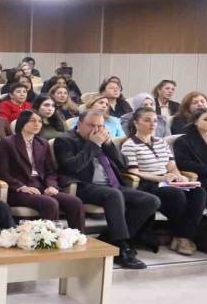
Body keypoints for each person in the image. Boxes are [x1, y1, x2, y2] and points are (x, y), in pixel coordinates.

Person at [54, 109, 160, 269]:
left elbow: (124, 165)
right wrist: (93, 144)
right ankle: (122, 247)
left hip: (112, 185)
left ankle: (109, 240)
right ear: (79, 124)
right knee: (114, 195)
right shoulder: (65, 140)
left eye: (100, 126)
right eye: (91, 125)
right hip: (83, 185)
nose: (97, 130)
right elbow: (72, 167)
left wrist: (109, 144)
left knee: (151, 201)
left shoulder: (104, 139)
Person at [121, 107, 207, 256]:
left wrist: (178, 176)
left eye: (155, 121)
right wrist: (162, 178)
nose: (152, 124)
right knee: (176, 195)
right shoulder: (129, 144)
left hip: (167, 180)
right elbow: (134, 172)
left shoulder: (161, 142)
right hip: (147, 183)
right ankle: (181, 236)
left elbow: (171, 166)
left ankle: (183, 236)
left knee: (199, 192)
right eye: (147, 120)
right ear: (136, 123)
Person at [0, 110, 85, 230]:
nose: (37, 124)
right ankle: (46, 239)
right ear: (22, 122)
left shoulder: (43, 143)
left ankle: (78, 237)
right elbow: (3, 173)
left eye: (39, 121)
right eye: (33, 121)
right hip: (18, 190)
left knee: (75, 202)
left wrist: (51, 186)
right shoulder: (7, 142)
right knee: (50, 203)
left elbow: (50, 171)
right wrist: (23, 187)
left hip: (41, 187)